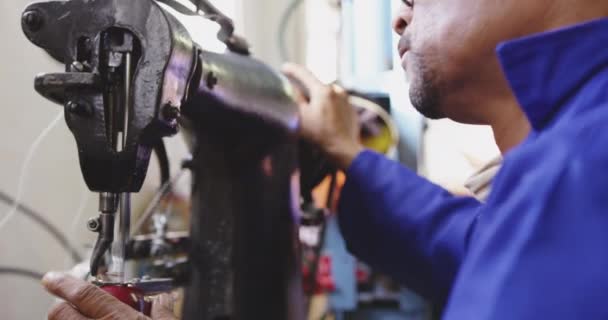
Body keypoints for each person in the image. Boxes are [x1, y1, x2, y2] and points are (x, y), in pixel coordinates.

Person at [42, 0, 608, 319]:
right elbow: (476, 245)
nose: (400, 13)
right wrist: (349, 155)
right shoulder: (566, 171)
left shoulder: (585, 163)